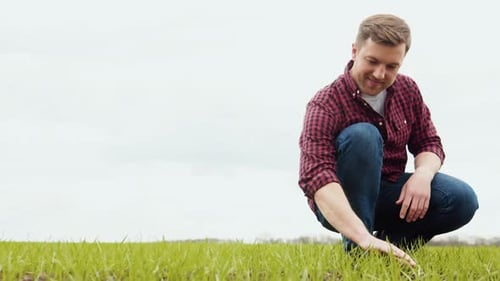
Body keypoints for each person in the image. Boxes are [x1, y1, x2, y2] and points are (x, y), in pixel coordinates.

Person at [298, 14, 478, 266]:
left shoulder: (407, 90)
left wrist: (422, 176)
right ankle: (359, 253)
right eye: (372, 61)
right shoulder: (326, 104)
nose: (380, 74)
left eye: (392, 66)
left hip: (389, 193)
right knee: (363, 135)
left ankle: (389, 254)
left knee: (461, 199)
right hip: (341, 201)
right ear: (354, 51)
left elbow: (429, 142)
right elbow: (315, 176)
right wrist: (362, 236)